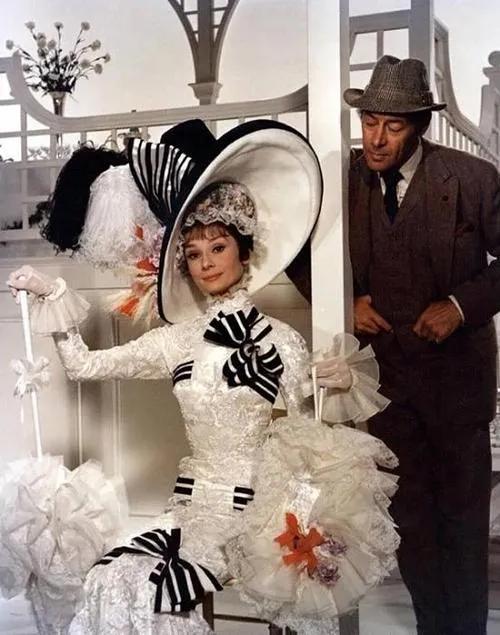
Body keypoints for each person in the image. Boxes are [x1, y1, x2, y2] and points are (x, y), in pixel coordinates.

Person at [7, 120, 398, 634]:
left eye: (218, 248)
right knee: (112, 577)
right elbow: (84, 366)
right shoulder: (178, 341)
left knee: (188, 591)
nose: (206, 263)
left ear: (243, 251)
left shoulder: (283, 340)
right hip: (192, 509)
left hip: (258, 514)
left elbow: (309, 440)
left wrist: (335, 391)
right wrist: (52, 296)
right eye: (193, 254)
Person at [341, 55, 500, 635]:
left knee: (462, 527)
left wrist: (459, 306)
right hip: (387, 389)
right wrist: (345, 301)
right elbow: (303, 253)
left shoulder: (472, 178)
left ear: (419, 126)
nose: (376, 139)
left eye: (392, 126)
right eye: (369, 122)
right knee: (409, 525)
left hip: (459, 387)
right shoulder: (344, 180)